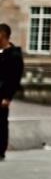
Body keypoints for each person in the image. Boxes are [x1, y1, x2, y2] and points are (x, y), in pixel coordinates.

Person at [0, 23, 24, 161]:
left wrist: (7, 97)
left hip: (3, 95)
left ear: (2, 35)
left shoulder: (14, 55)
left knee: (1, 123)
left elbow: (14, 78)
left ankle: (1, 150)